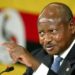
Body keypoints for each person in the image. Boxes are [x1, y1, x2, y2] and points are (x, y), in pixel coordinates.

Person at [2, 2, 75, 75]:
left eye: (53, 31)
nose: (46, 39)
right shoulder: (38, 56)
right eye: (41, 33)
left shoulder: (34, 61)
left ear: (71, 26)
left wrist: (35, 65)